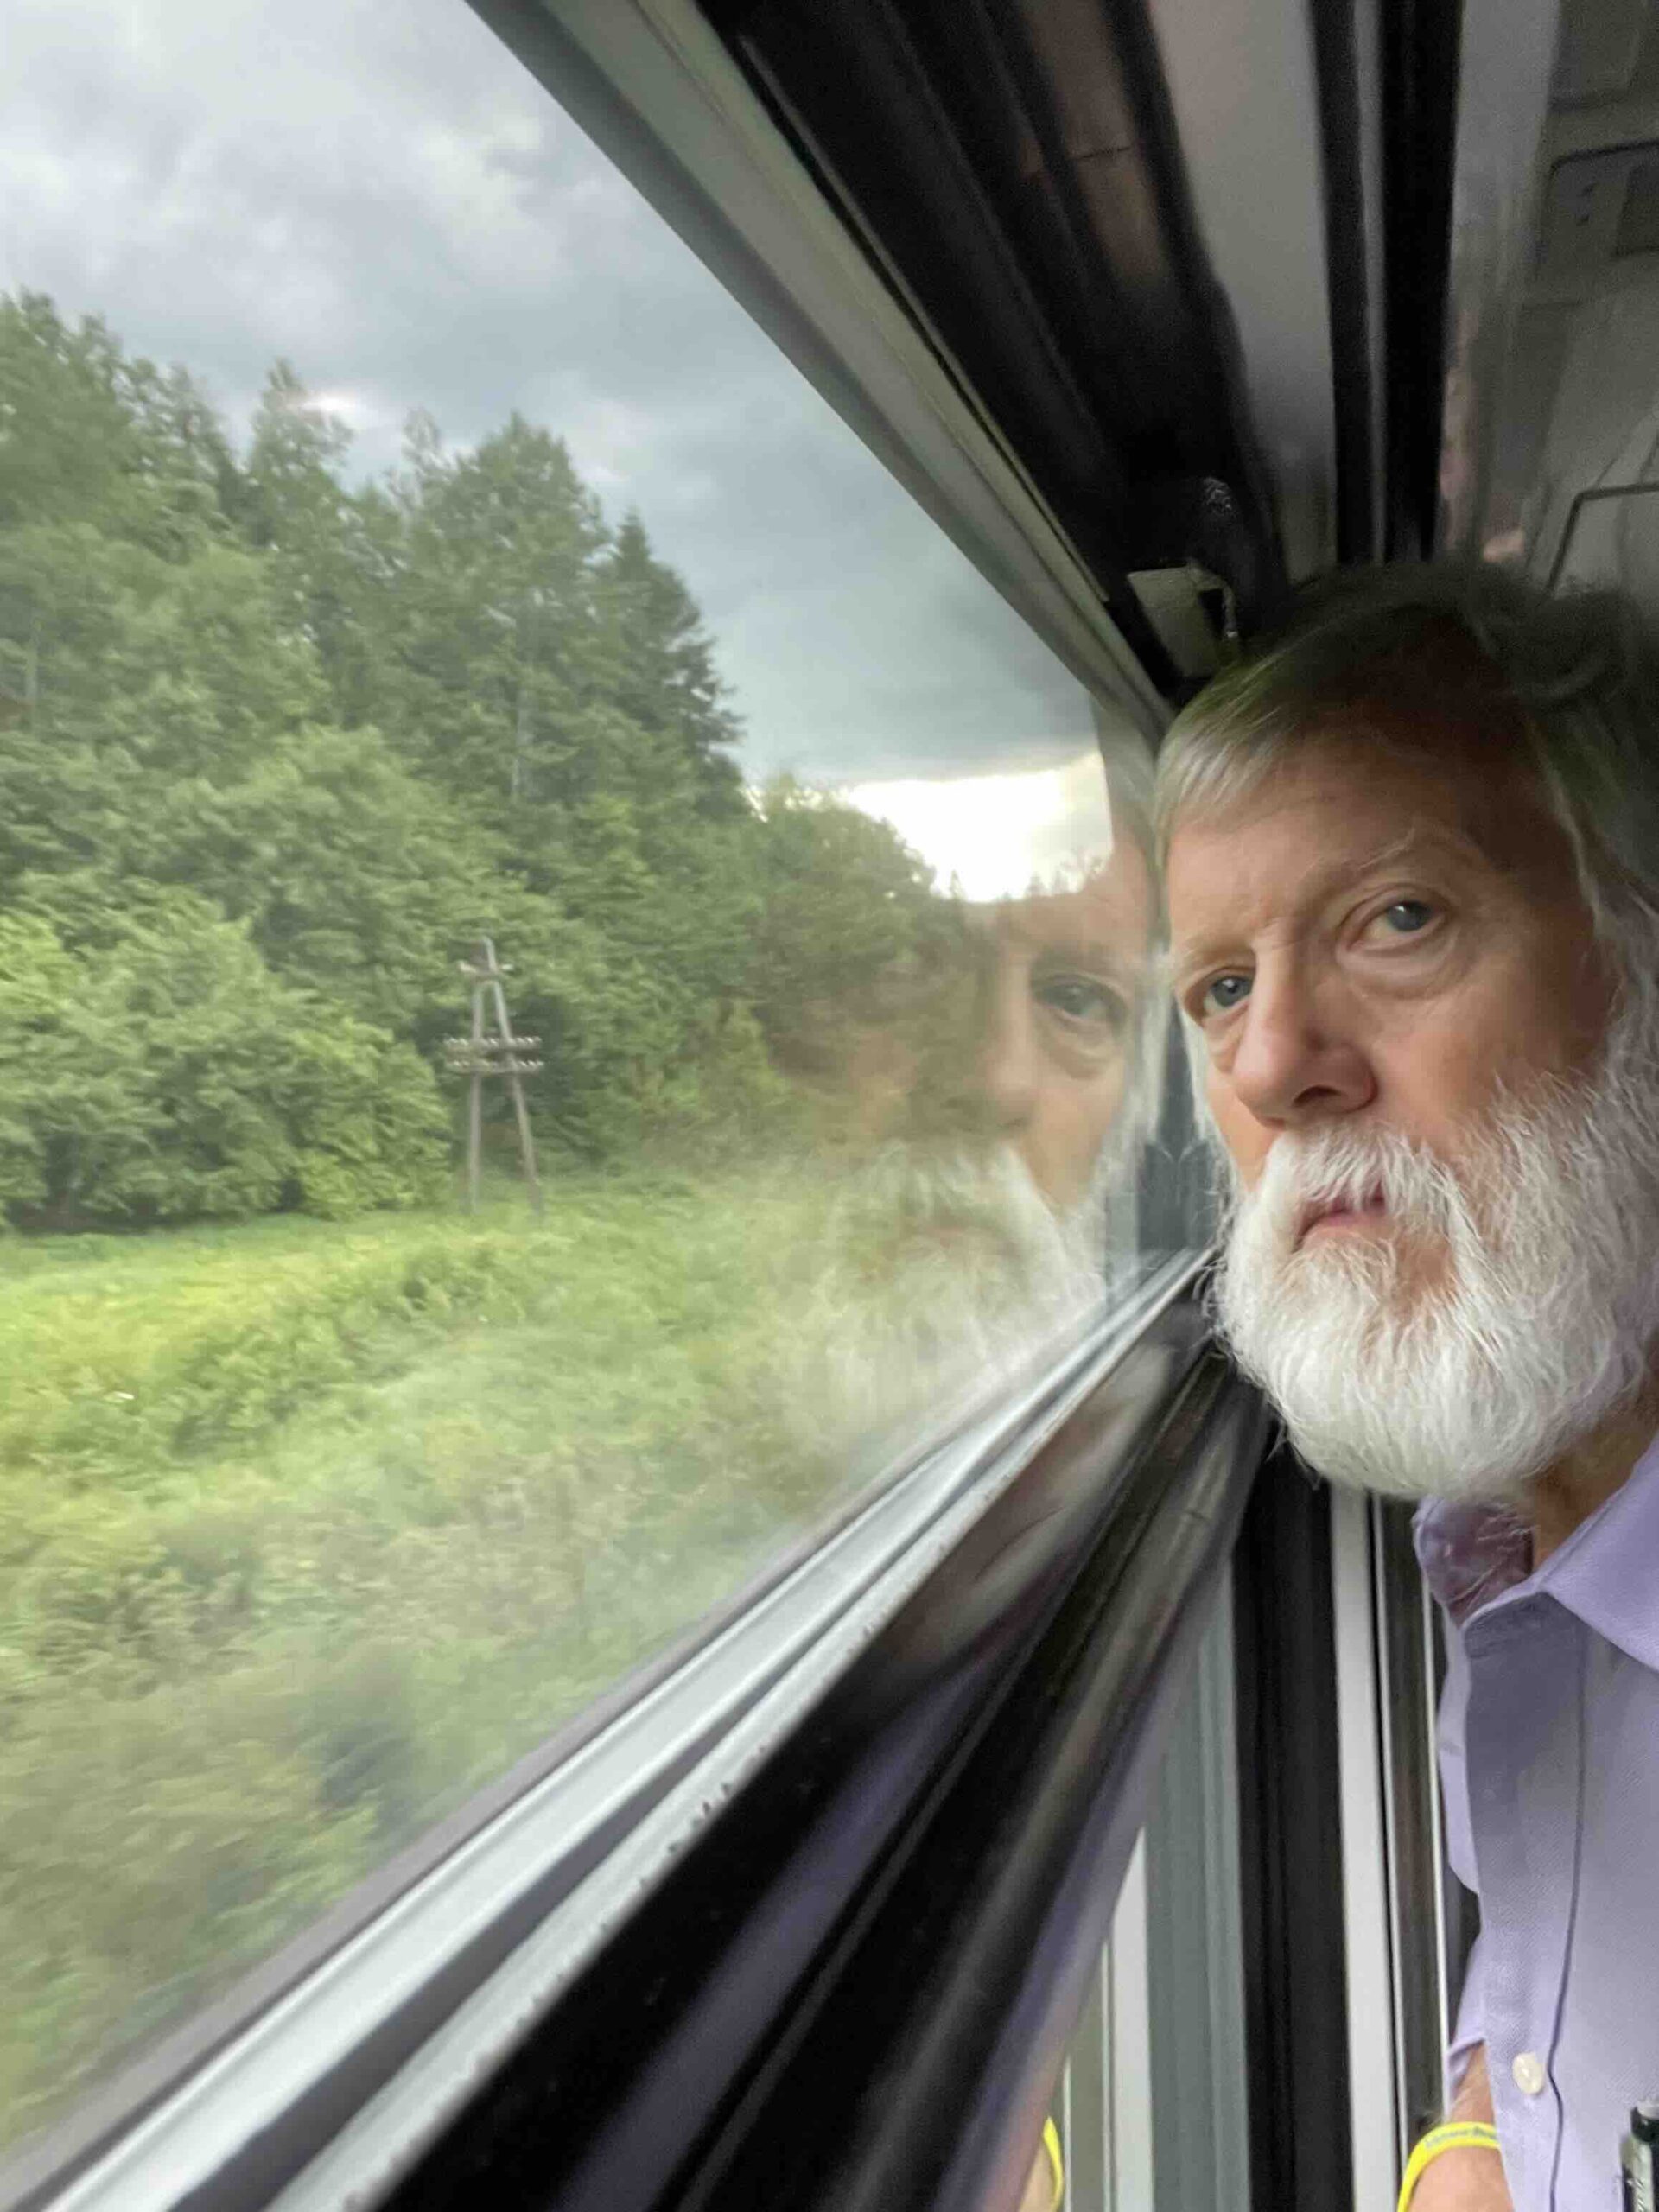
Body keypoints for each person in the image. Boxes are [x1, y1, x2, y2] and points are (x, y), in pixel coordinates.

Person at [1156, 560, 1659, 2212]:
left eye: (1398, 917)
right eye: (1221, 984)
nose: (1269, 1063)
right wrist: (1483, 2134)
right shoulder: (1510, 1534)